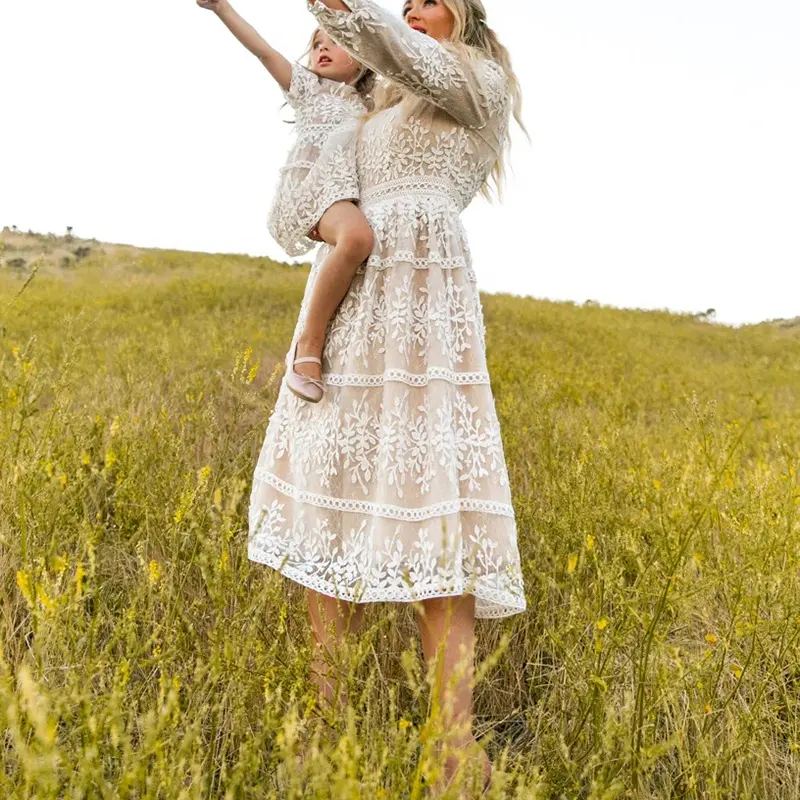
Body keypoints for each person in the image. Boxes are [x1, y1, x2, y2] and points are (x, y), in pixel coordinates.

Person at [248, 0, 528, 792]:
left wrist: (351, 11)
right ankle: (327, 719)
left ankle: (453, 748)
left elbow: (399, 49)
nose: (411, 6)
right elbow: (320, 98)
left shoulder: (477, 79)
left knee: (434, 509)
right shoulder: (380, 96)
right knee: (330, 492)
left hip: (424, 295)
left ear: (464, 12)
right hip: (355, 303)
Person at [197, 0, 376, 403]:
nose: (323, 49)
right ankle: (307, 346)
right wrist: (222, 8)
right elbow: (263, 50)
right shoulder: (308, 88)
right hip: (309, 194)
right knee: (357, 239)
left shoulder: (372, 105)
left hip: (341, 194)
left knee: (359, 240)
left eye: (336, 42)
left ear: (364, 60)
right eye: (317, 44)